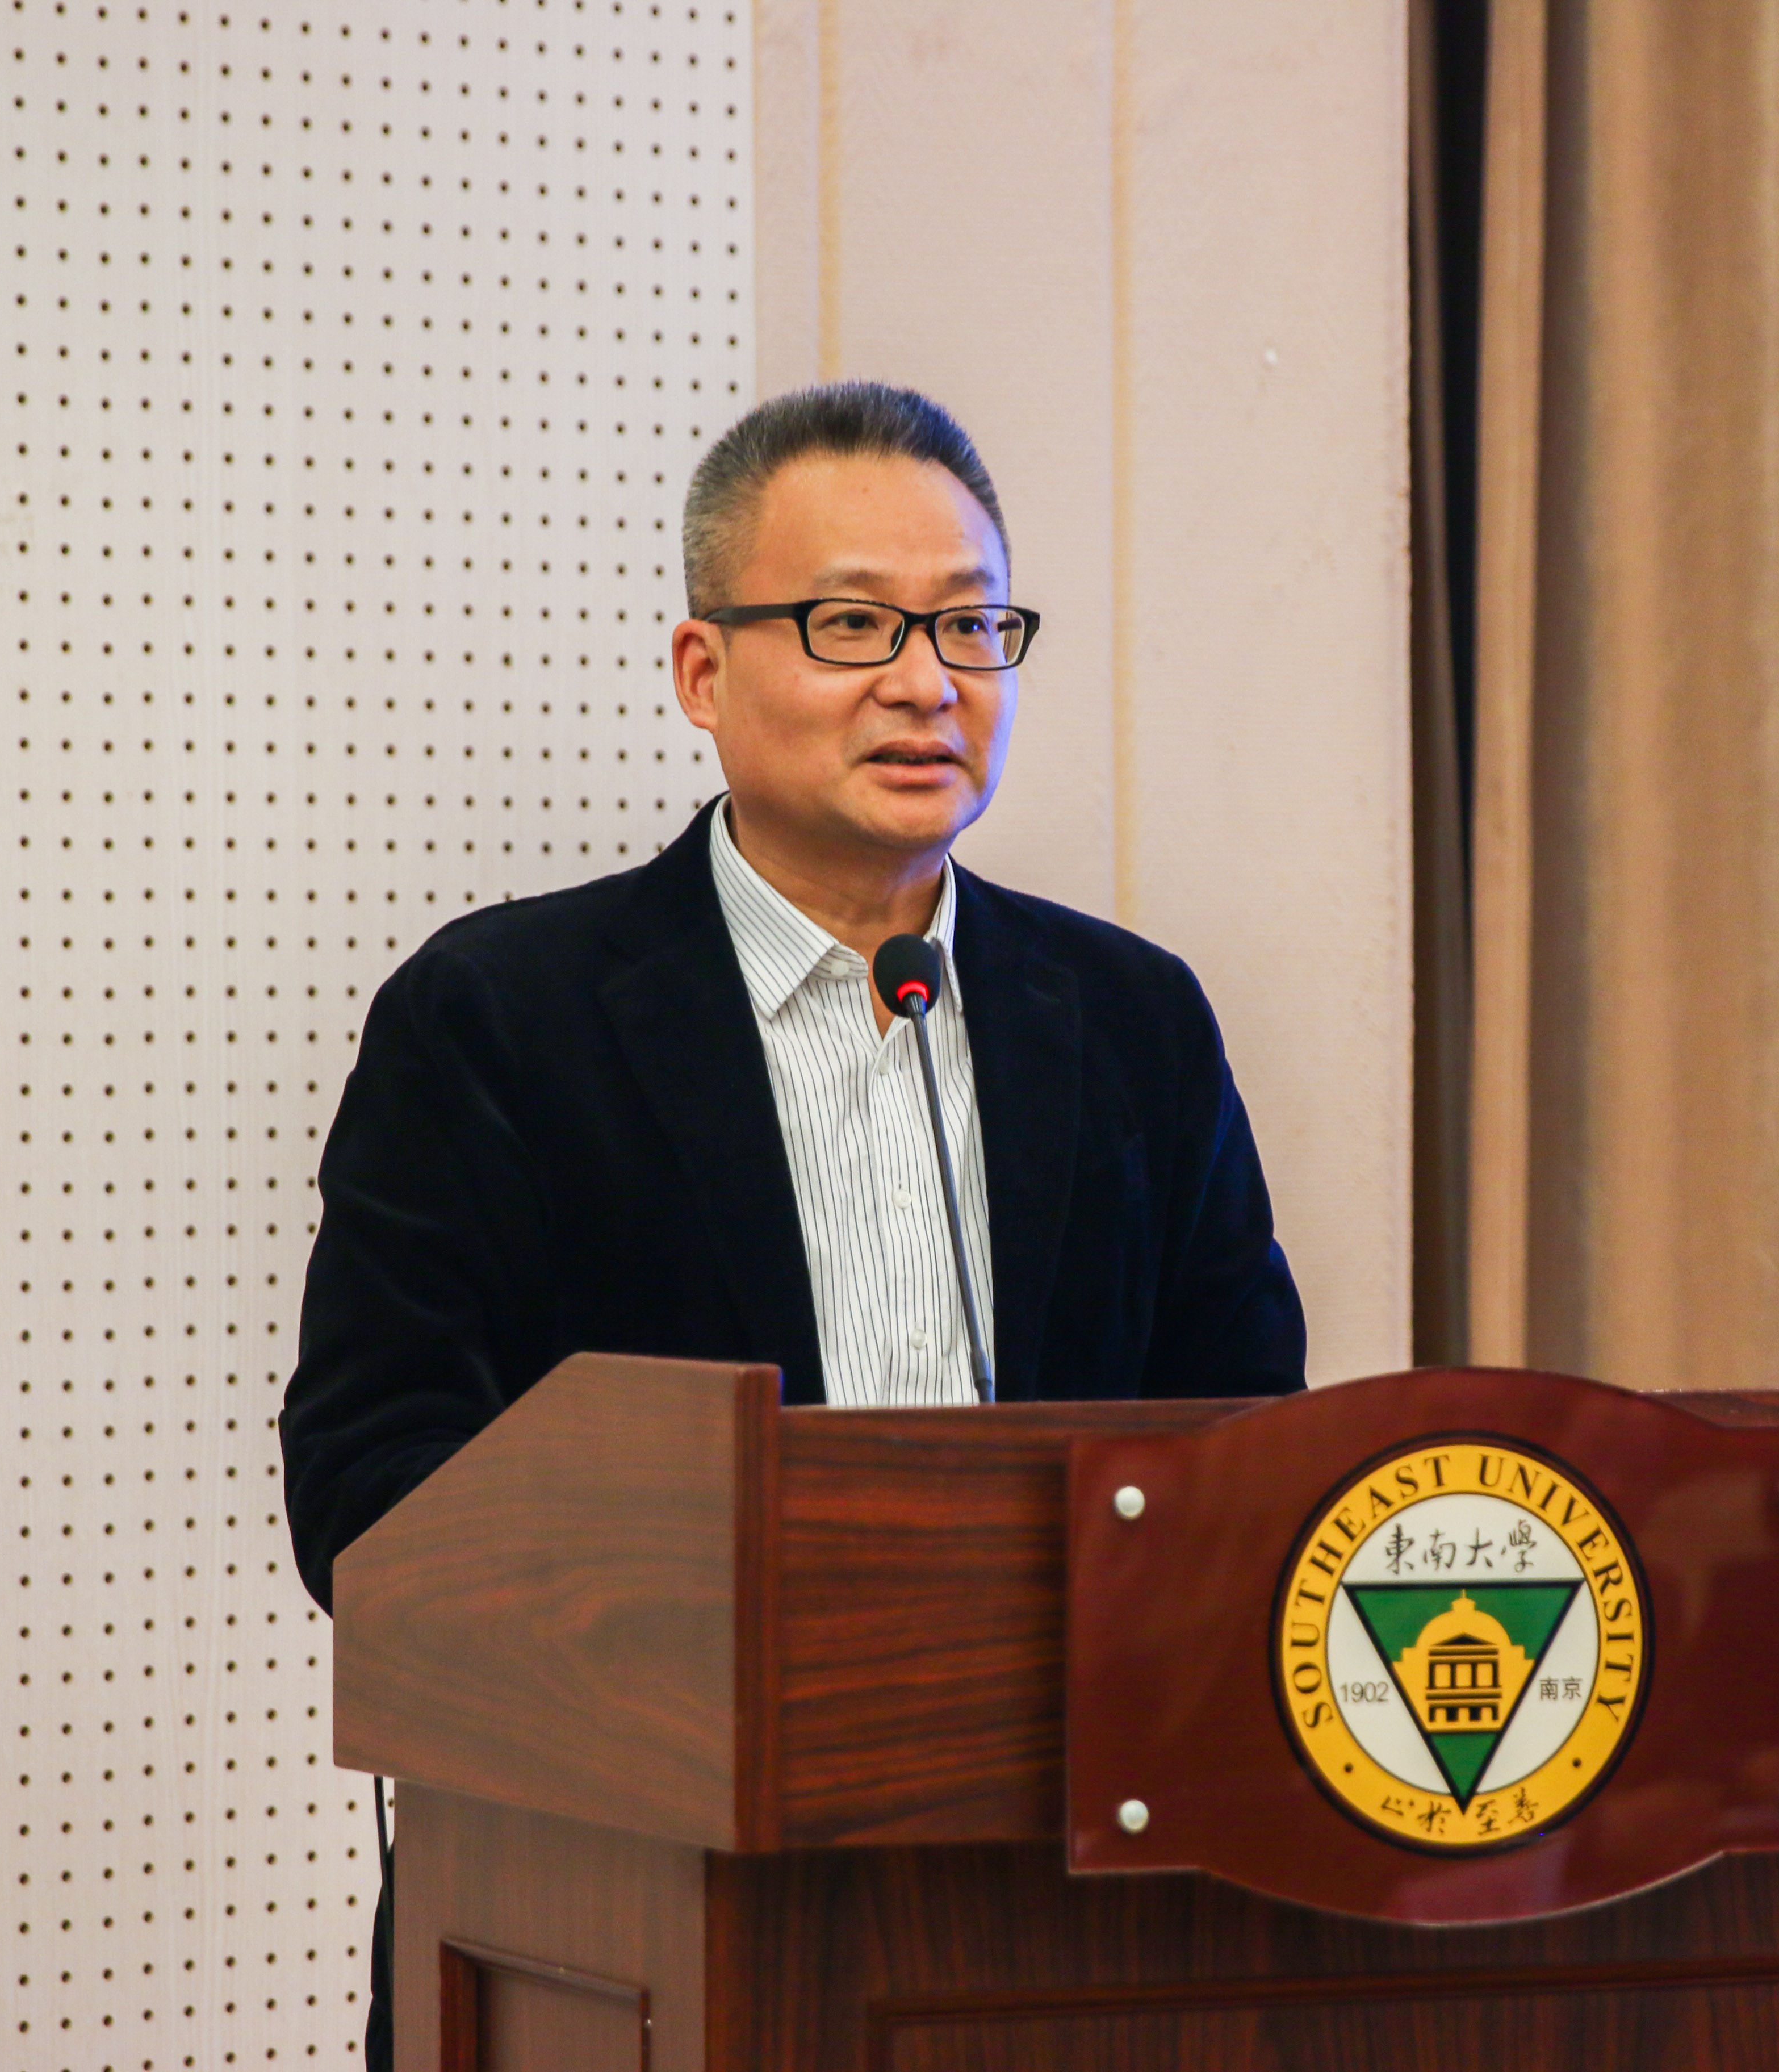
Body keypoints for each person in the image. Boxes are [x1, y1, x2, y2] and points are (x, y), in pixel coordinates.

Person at [278, 380, 1309, 2067]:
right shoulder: (501, 1019)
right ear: (704, 672)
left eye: (970, 625)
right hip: (623, 1910)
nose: (926, 681)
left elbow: (1247, 1446)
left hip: (1064, 1914)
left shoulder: (1130, 1021)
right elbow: (370, 1493)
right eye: (852, 625)